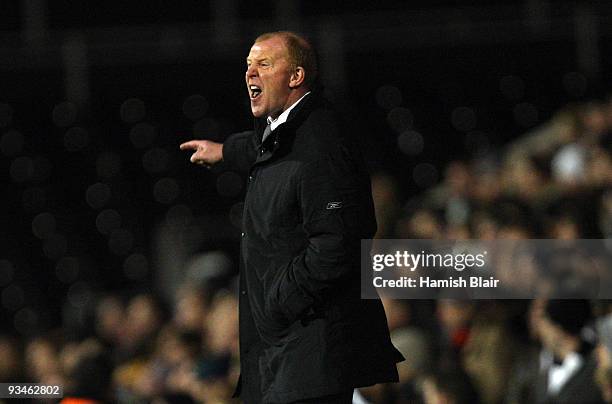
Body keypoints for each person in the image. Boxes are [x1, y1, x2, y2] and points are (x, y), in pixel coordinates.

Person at [180, 31, 403, 403]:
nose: (250, 73)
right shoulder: (287, 130)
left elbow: (339, 244)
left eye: (264, 64)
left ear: (296, 77)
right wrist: (225, 151)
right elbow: (262, 146)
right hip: (283, 351)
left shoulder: (323, 142)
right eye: (248, 65)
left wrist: (281, 298)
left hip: (311, 351)